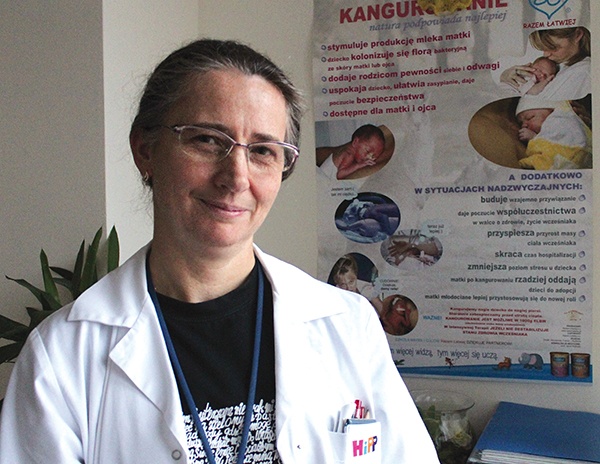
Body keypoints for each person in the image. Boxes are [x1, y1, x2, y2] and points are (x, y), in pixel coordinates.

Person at [0, 39, 439, 463]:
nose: (237, 177)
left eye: (263, 150)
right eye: (208, 140)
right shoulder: (62, 357)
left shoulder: (348, 325)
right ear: (145, 150)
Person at [500, 27, 590, 100]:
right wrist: (505, 78)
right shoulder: (559, 63)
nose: (545, 54)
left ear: (577, 35)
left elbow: (533, 105)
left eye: (553, 47)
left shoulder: (582, 71)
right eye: (543, 48)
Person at [516, 97, 592, 170]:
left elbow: (554, 142)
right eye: (521, 123)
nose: (524, 125)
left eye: (530, 117)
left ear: (551, 111)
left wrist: (534, 138)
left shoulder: (558, 119)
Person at [317, 124, 388, 180]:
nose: (368, 157)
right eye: (367, 151)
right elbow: (340, 175)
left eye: (373, 156)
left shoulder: (351, 152)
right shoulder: (348, 154)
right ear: (355, 142)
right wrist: (358, 165)